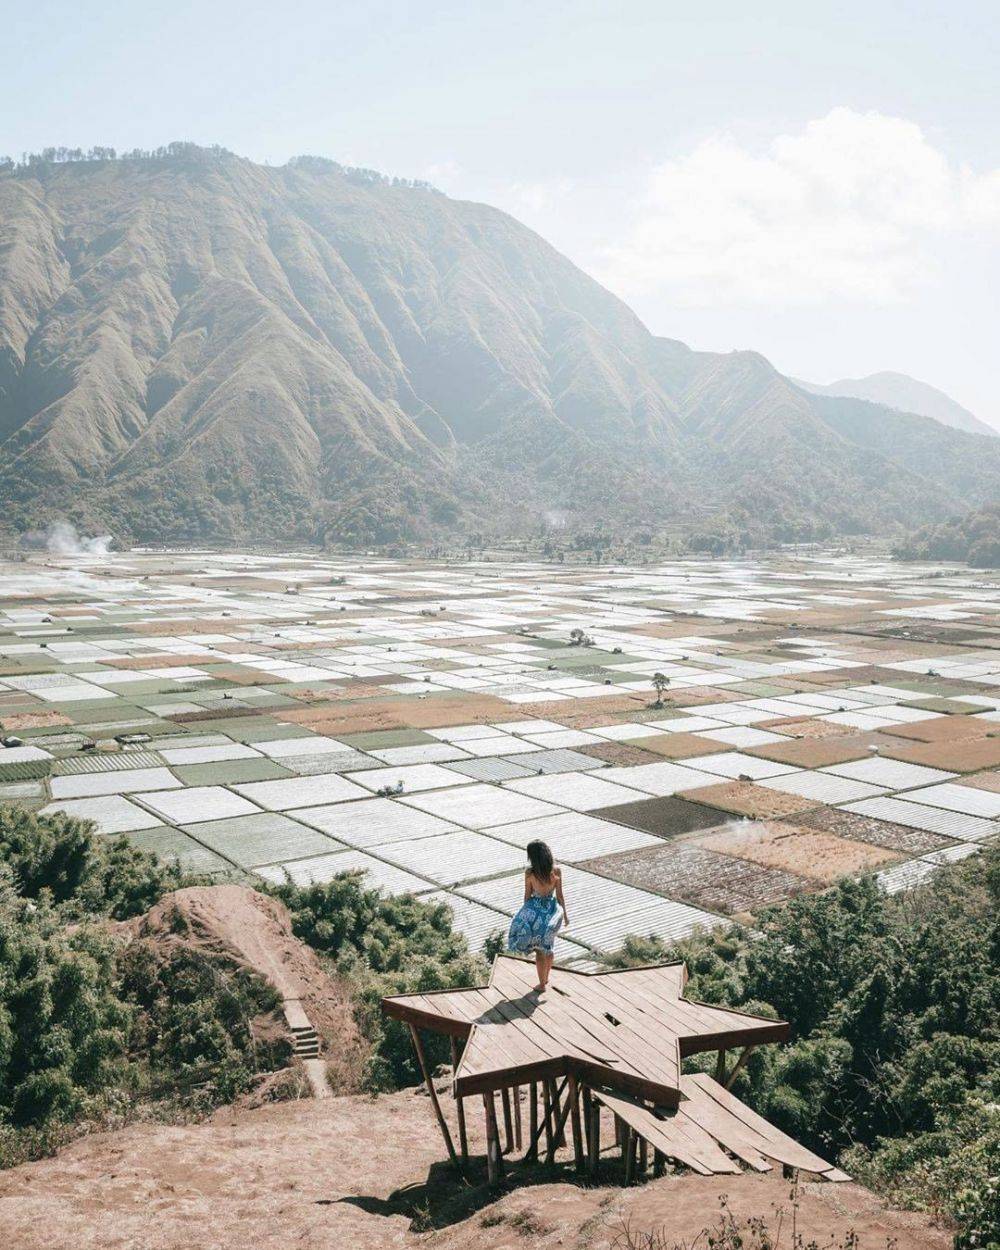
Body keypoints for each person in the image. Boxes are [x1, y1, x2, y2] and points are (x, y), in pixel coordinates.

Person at [506, 840, 568, 992]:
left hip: (535, 913)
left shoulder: (530, 873)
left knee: (539, 950)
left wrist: (523, 917)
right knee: (549, 946)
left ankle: (541, 985)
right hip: (551, 912)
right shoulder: (556, 871)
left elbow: (527, 897)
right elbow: (560, 897)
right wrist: (565, 916)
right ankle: (546, 978)